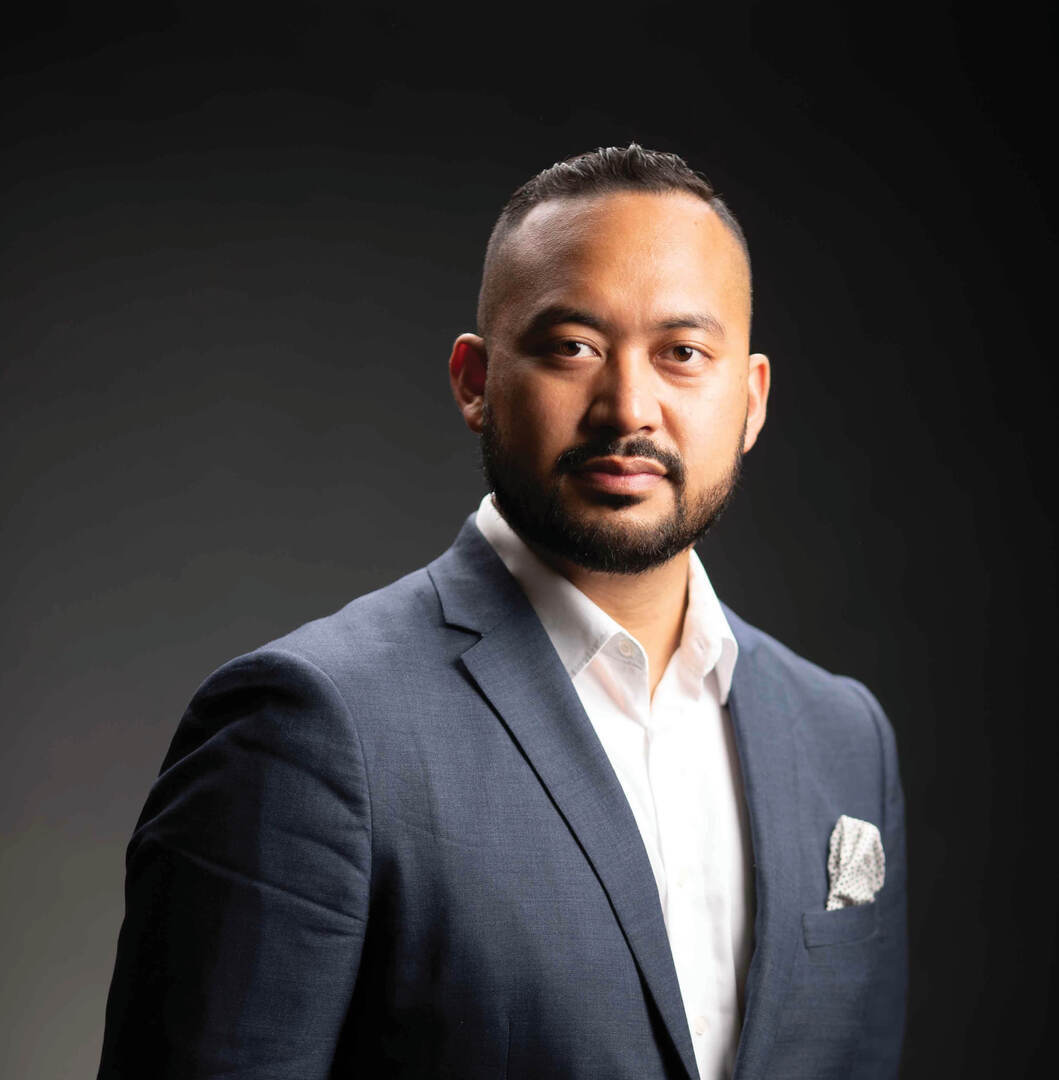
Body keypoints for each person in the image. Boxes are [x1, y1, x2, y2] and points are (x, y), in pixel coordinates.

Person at [97, 145, 907, 1080]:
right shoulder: (307, 728)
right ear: (475, 382)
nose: (628, 409)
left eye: (682, 354)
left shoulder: (842, 736)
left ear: (752, 400)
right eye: (574, 347)